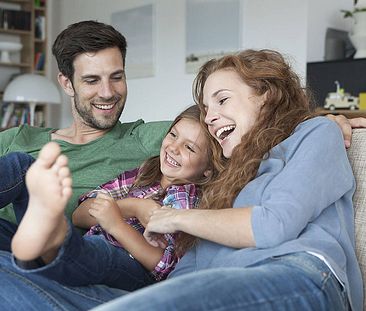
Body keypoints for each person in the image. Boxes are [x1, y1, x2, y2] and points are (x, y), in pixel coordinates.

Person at [0, 26, 362, 309]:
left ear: (266, 94)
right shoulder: (228, 169)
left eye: (222, 100)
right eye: (207, 109)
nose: (212, 117)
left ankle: (51, 244)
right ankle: (47, 245)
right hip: (201, 284)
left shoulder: (313, 133)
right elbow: (184, 270)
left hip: (296, 274)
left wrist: (168, 217)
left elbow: (272, 224)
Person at [6, 105, 220, 292]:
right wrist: (133, 207)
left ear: (207, 171)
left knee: (95, 251)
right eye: (173, 135)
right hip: (88, 243)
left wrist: (116, 224)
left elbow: (163, 266)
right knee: (22, 165)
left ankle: (48, 244)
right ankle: (45, 242)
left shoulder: (188, 199)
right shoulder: (143, 172)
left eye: (189, 147)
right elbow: (80, 215)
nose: (174, 147)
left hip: (128, 266)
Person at [0, 20, 171, 251]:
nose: (108, 92)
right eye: (92, 80)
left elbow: (215, 122)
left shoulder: (144, 139)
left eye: (117, 77)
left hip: (50, 262)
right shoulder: (18, 138)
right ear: (67, 83)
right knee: (21, 165)